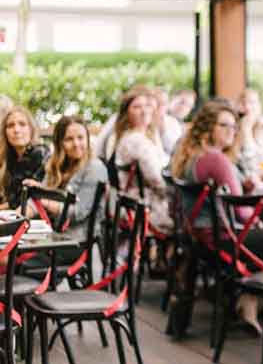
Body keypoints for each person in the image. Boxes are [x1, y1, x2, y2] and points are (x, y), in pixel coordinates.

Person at [170, 100, 263, 334]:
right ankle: (252, 296)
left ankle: (248, 296)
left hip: (199, 238)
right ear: (207, 128)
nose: (232, 131)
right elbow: (242, 213)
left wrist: (242, 186)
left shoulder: (190, 155)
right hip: (223, 239)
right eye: (224, 125)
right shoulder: (216, 159)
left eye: (234, 126)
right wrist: (260, 218)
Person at [23, 116, 107, 264]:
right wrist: (14, 218)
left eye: (81, 138)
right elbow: (35, 203)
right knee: (10, 252)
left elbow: (78, 213)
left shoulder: (94, 168)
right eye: (69, 139)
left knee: (13, 260)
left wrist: (44, 200)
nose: (76, 144)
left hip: (77, 242)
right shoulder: (55, 165)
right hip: (53, 237)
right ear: (60, 143)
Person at [113, 86, 171, 232]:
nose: (144, 111)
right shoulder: (136, 141)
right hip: (146, 208)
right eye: (137, 107)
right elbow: (157, 180)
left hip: (138, 204)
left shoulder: (143, 136)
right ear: (127, 113)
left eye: (147, 105)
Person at [0, 106, 49, 210]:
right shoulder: (8, 158)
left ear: (31, 129)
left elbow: (21, 200)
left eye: (22, 124)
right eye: (10, 125)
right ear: (5, 132)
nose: (16, 130)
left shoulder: (40, 154)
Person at [237, 88, 263, 176]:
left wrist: (246, 130)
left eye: (252, 102)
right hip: (247, 174)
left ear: (259, 105)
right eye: (243, 103)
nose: (247, 107)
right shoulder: (239, 124)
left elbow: (252, 161)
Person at [152, 87, 185, 155]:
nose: (161, 106)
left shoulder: (173, 122)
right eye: (158, 102)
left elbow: (178, 147)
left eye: (164, 102)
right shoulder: (145, 122)